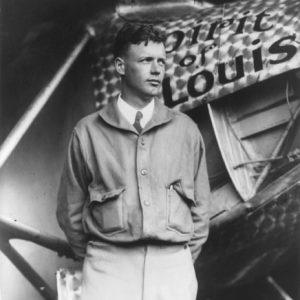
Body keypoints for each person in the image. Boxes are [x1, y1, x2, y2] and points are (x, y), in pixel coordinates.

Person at [57, 22, 210, 300]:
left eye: (161, 61)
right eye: (146, 60)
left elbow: (201, 209)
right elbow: (69, 212)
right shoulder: (87, 132)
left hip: (173, 272)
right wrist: (100, 259)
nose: (157, 69)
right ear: (120, 66)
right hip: (108, 273)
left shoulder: (185, 130)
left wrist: (178, 260)